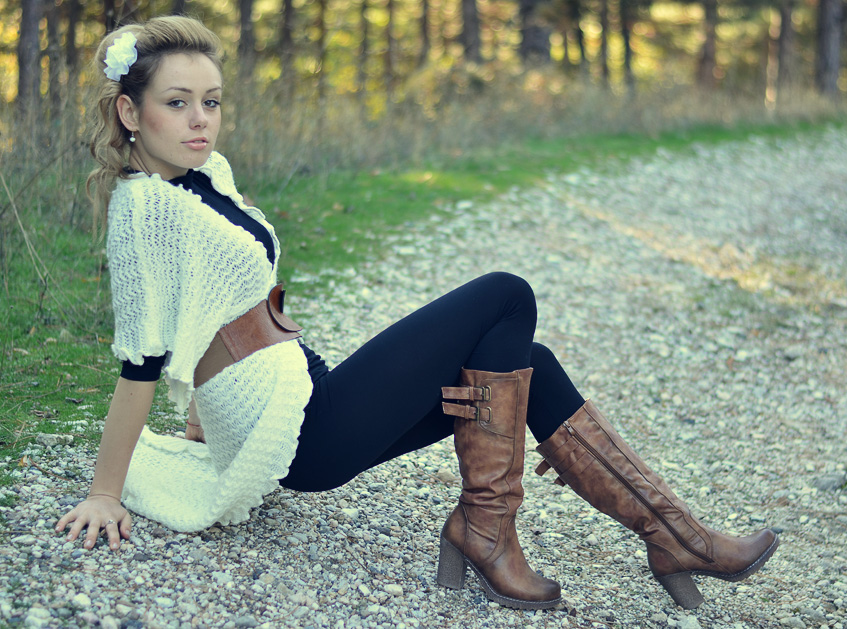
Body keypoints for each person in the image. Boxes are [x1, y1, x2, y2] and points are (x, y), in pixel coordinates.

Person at [56, 15, 779, 612]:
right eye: (177, 102)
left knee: (526, 362)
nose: (200, 119)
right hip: (305, 434)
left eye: (211, 102)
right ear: (130, 111)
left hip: (302, 392)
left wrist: (204, 411)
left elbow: (224, 304)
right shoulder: (144, 209)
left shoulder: (202, 177)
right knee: (506, 294)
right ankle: (492, 533)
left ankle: (673, 536)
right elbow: (142, 356)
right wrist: (105, 493)